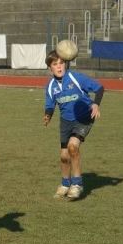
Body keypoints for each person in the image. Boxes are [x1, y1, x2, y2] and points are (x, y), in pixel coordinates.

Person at [43, 51, 104, 200]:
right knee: (64, 156)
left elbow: (99, 88)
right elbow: (50, 104)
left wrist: (96, 104)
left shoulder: (75, 77)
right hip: (65, 122)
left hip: (84, 118)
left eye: (61, 63)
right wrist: (48, 115)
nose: (59, 66)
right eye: (55, 64)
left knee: (73, 147)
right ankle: (65, 184)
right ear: (50, 67)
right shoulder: (51, 86)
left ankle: (77, 184)